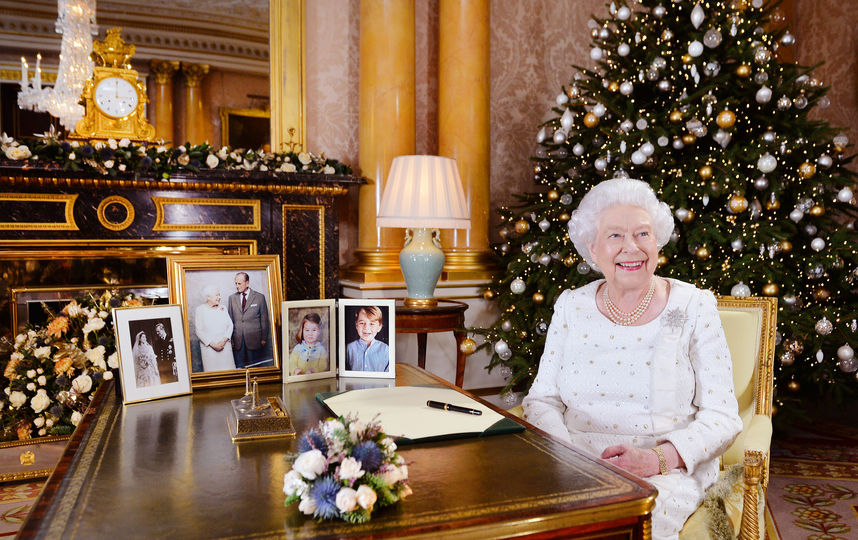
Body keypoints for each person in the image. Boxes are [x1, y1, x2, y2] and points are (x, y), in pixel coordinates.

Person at [521, 178, 742, 540]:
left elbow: (723, 416)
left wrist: (657, 459)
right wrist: (567, 459)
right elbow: (543, 400)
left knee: (614, 526)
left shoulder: (693, 306)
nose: (632, 248)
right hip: (574, 462)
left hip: (665, 471)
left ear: (657, 241)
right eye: (615, 236)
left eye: (642, 234)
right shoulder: (571, 306)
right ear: (593, 249)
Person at [227, 272, 270, 369]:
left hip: (255, 339)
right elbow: (230, 320)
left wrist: (264, 338)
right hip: (238, 340)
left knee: (255, 368)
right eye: (236, 283)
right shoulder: (232, 298)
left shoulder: (259, 297)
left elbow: (264, 319)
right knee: (239, 367)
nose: (237, 286)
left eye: (239, 283)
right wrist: (231, 339)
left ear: (247, 283)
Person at [195, 285, 236, 372]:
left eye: (219, 295)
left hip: (225, 347)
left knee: (229, 374)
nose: (219, 297)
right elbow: (199, 331)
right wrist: (213, 345)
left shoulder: (223, 308)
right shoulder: (200, 310)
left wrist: (223, 341)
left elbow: (230, 325)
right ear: (208, 297)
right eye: (216, 295)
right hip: (209, 350)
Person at [345, 306, 389, 372]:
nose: (366, 327)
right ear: (356, 325)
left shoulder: (386, 349)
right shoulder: (349, 348)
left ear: (379, 327)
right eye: (362, 323)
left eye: (372, 324)